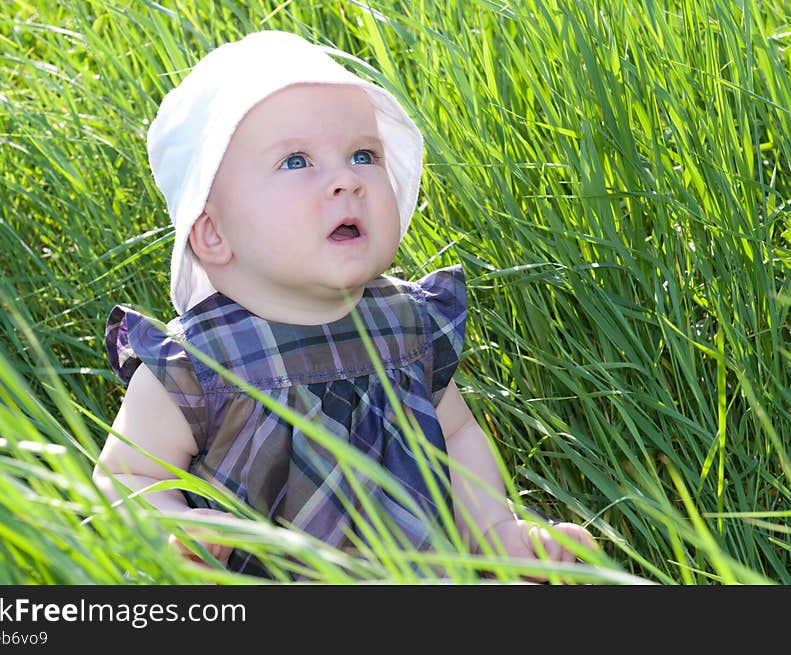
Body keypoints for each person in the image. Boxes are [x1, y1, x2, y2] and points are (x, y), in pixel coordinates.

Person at [92, 29, 595, 580]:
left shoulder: (407, 328)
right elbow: (127, 476)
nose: (346, 181)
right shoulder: (197, 365)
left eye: (363, 155)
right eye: (295, 161)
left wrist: (495, 532)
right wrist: (170, 528)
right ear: (212, 232)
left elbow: (455, 438)